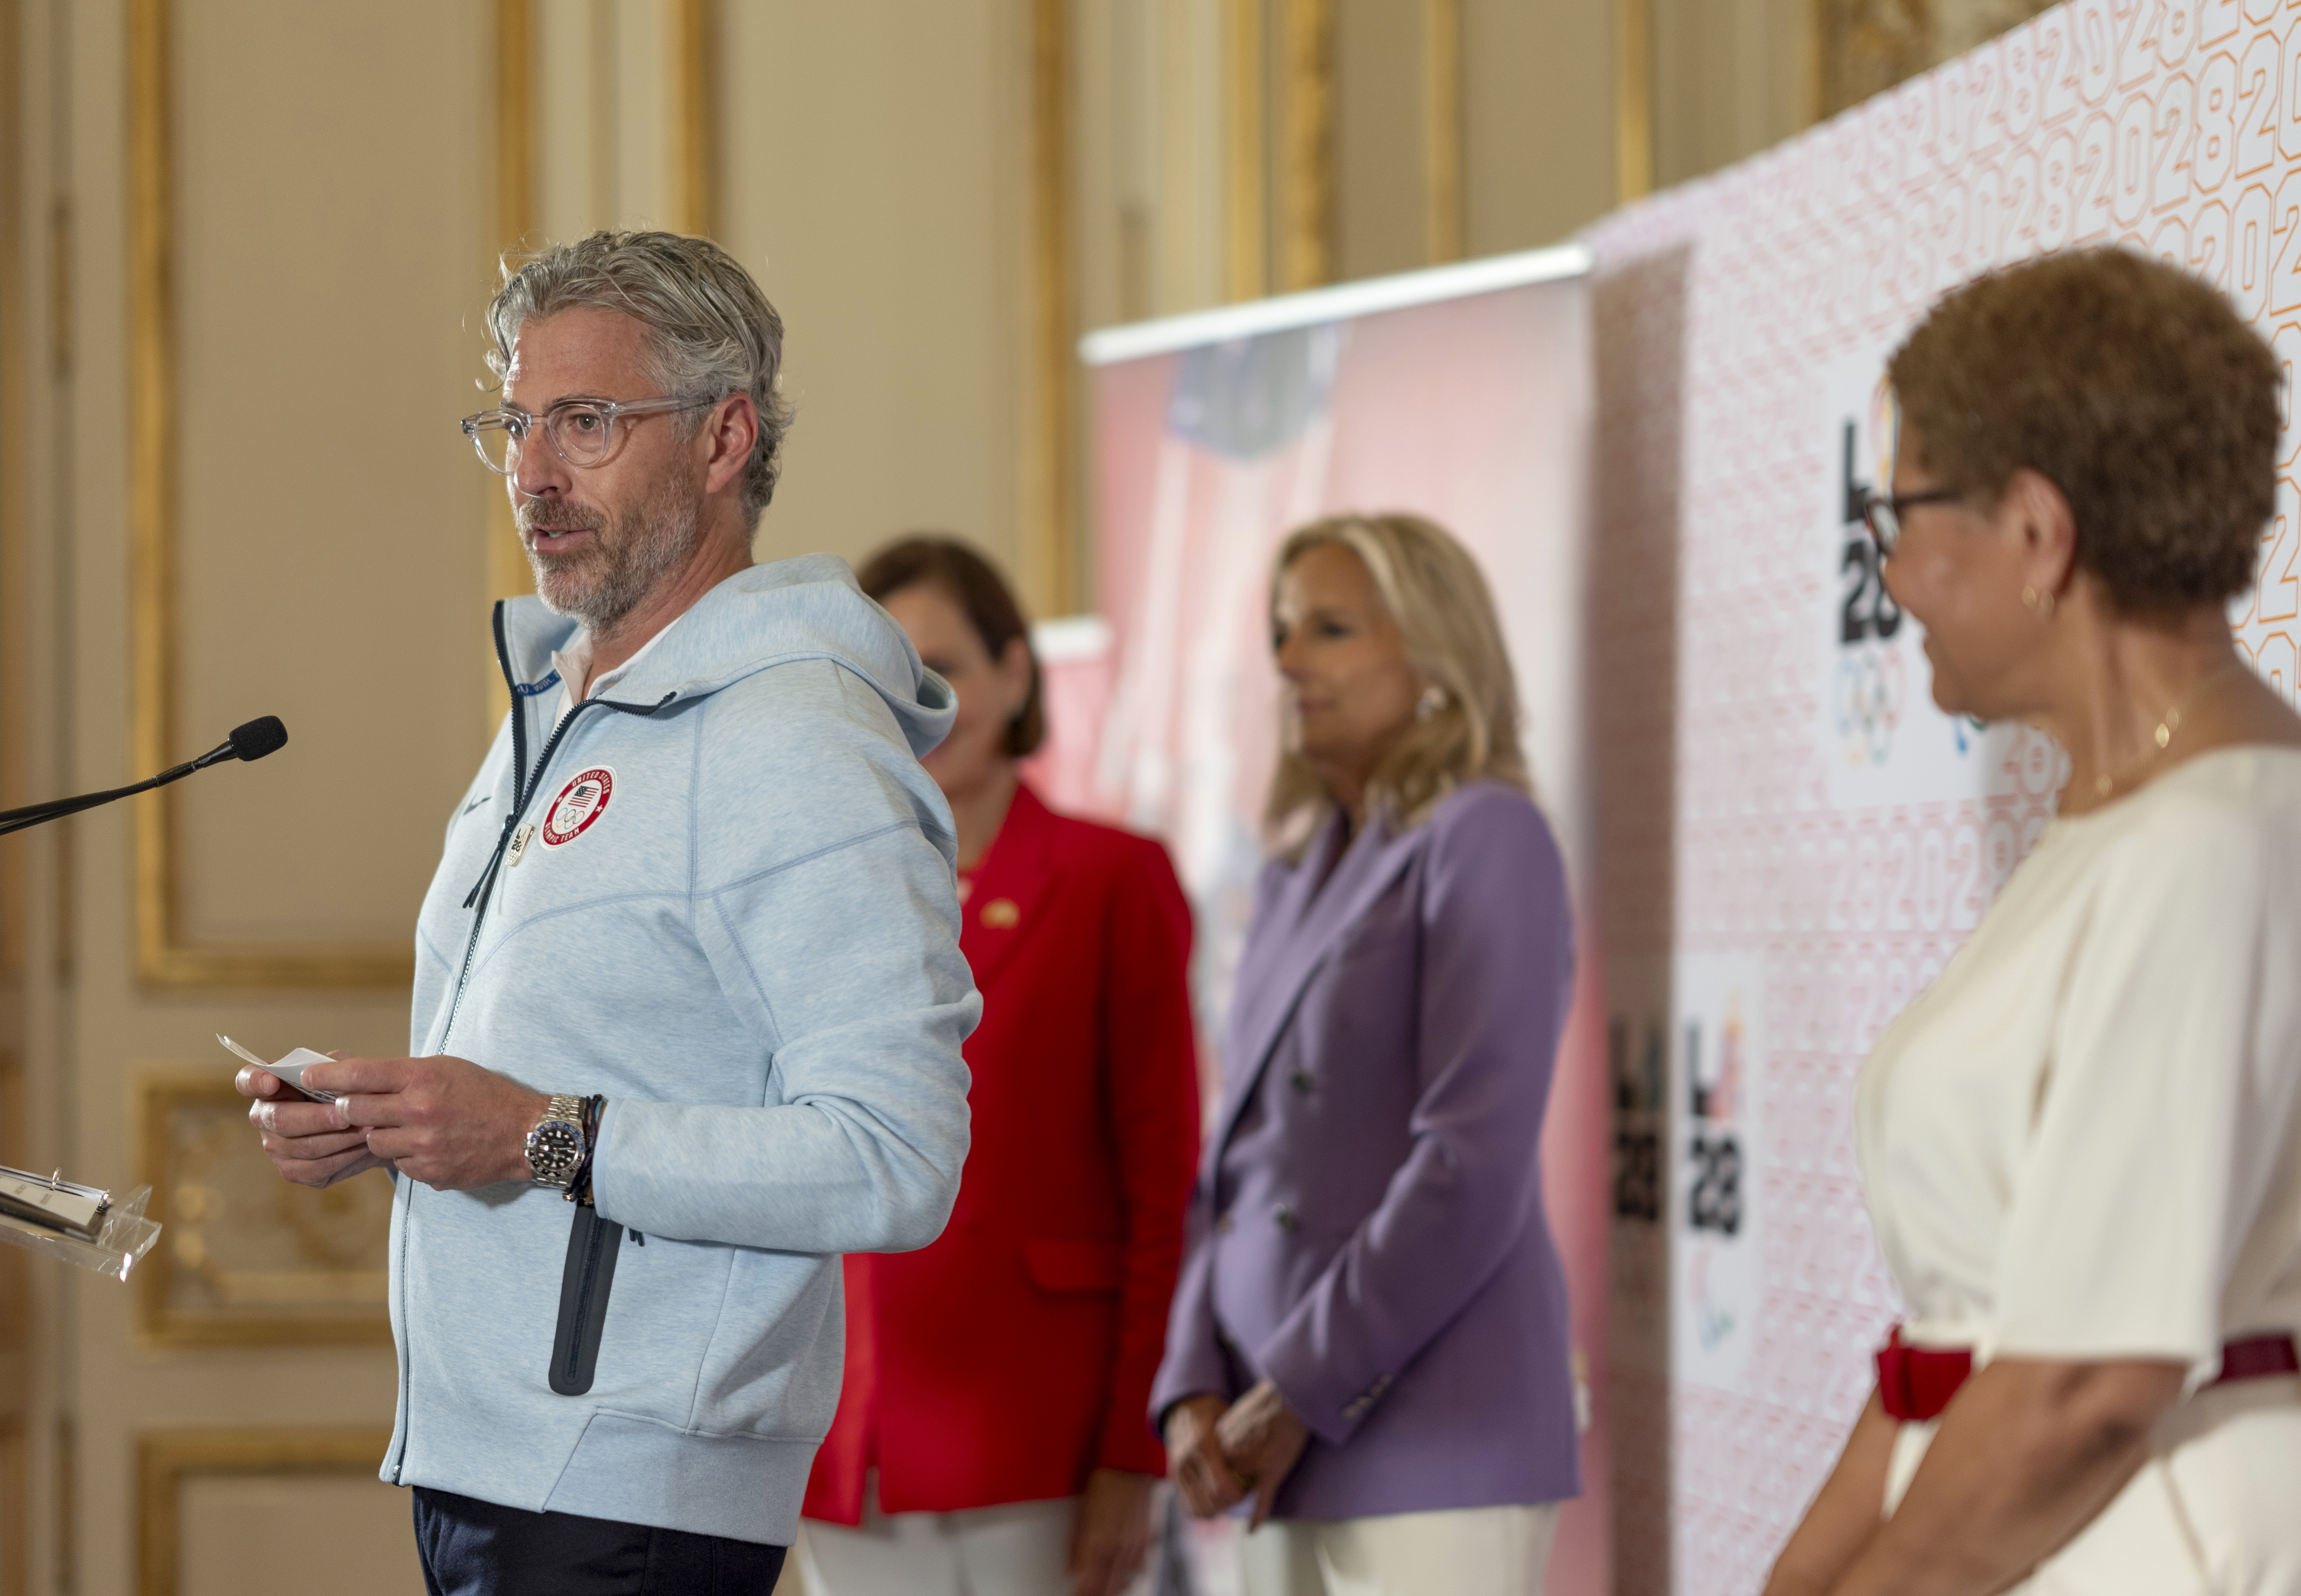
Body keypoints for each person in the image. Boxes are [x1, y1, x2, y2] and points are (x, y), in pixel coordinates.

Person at [237, 231, 978, 1596]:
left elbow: (896, 1154)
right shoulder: (557, 707)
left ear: (722, 438)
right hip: (483, 1462)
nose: (532, 472)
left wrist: (533, 1133)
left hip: (632, 1503)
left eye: (585, 421)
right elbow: (584, 1066)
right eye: (514, 424)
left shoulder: (797, 737)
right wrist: (392, 1119)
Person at [1763, 249, 2301, 1596]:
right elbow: (1970, 1328)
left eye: (1902, 517)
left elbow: (2089, 1381)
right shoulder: (2127, 826)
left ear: (2039, 533)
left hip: (2172, 1530)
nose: (1892, 574)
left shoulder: (2215, 842)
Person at [1152, 513, 1580, 1596]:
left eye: (1330, 630)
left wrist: (1294, 1387)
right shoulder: (1298, 871)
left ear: (1435, 653)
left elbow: (1469, 1165)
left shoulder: (1488, 837)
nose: (1287, 661)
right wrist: (1190, 1380)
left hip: (1432, 1434)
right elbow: (1232, 1163)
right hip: (1272, 1439)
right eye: (1283, 633)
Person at [795, 537, 1201, 1596]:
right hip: (851, 1436)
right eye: (888, 675)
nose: (921, 702)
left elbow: (1165, 1191)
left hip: (1042, 1438)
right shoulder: (821, 893)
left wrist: (1133, 1452)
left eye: (949, 668)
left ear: (1017, 673)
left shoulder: (1117, 881)